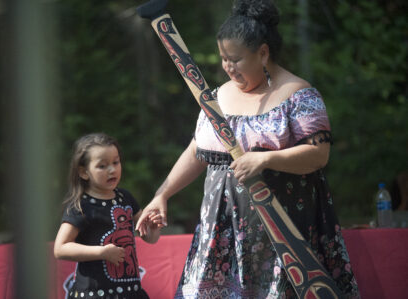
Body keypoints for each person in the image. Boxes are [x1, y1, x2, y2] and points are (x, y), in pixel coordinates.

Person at [136, 0, 361, 298]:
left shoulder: (299, 94)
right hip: (221, 232)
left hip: (283, 232)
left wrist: (265, 159)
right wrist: (162, 194)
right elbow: (196, 151)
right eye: (223, 59)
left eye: (236, 60)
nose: (228, 67)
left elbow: (319, 154)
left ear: (263, 53)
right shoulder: (215, 98)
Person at [54, 133, 161, 299]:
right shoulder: (80, 206)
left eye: (115, 162)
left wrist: (153, 228)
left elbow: (149, 238)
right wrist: (102, 253)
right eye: (102, 166)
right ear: (83, 172)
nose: (112, 169)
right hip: (94, 294)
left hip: (131, 293)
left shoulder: (126, 197)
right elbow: (60, 248)